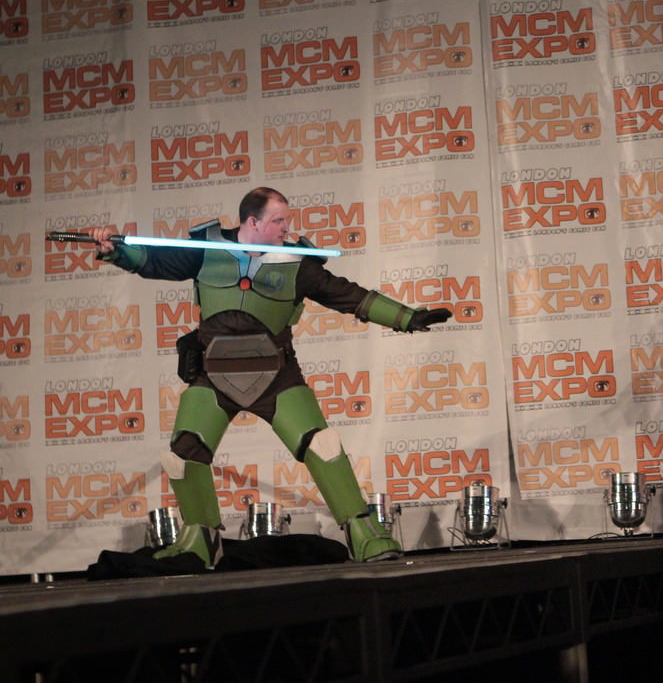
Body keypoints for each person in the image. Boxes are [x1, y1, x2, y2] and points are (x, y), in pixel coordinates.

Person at [86, 187, 452, 566]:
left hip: (276, 376)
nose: (285, 228)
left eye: (286, 221)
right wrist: (116, 250)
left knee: (321, 446)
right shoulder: (205, 249)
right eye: (278, 220)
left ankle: (363, 532)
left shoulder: (297, 263)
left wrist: (408, 318)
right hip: (214, 376)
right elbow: (153, 261)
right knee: (184, 454)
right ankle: (200, 541)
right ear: (253, 221)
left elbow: (347, 295)